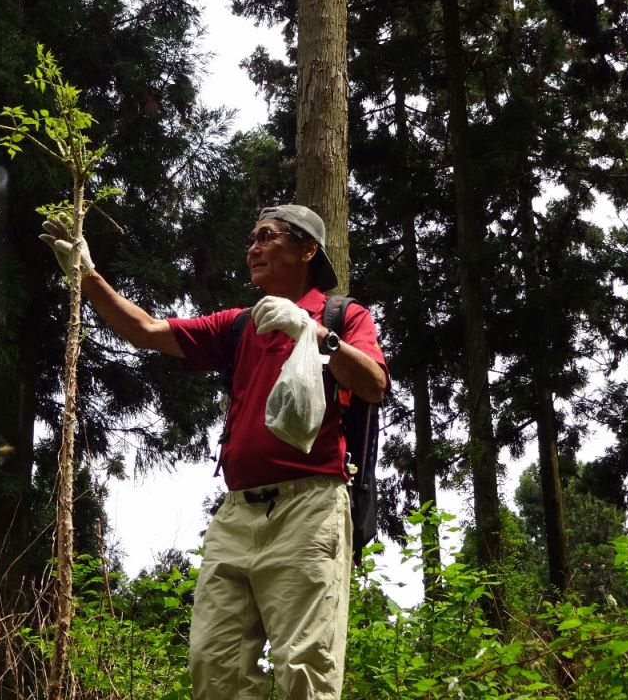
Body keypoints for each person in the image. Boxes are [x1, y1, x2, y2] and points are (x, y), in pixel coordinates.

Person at [40, 204, 388, 700]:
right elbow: (146, 331)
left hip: (310, 508)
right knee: (214, 666)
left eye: (267, 236)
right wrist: (88, 275)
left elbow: (374, 384)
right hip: (235, 516)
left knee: (304, 670)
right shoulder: (239, 326)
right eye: (250, 238)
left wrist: (313, 334)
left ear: (308, 249)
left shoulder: (342, 315)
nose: (253, 246)